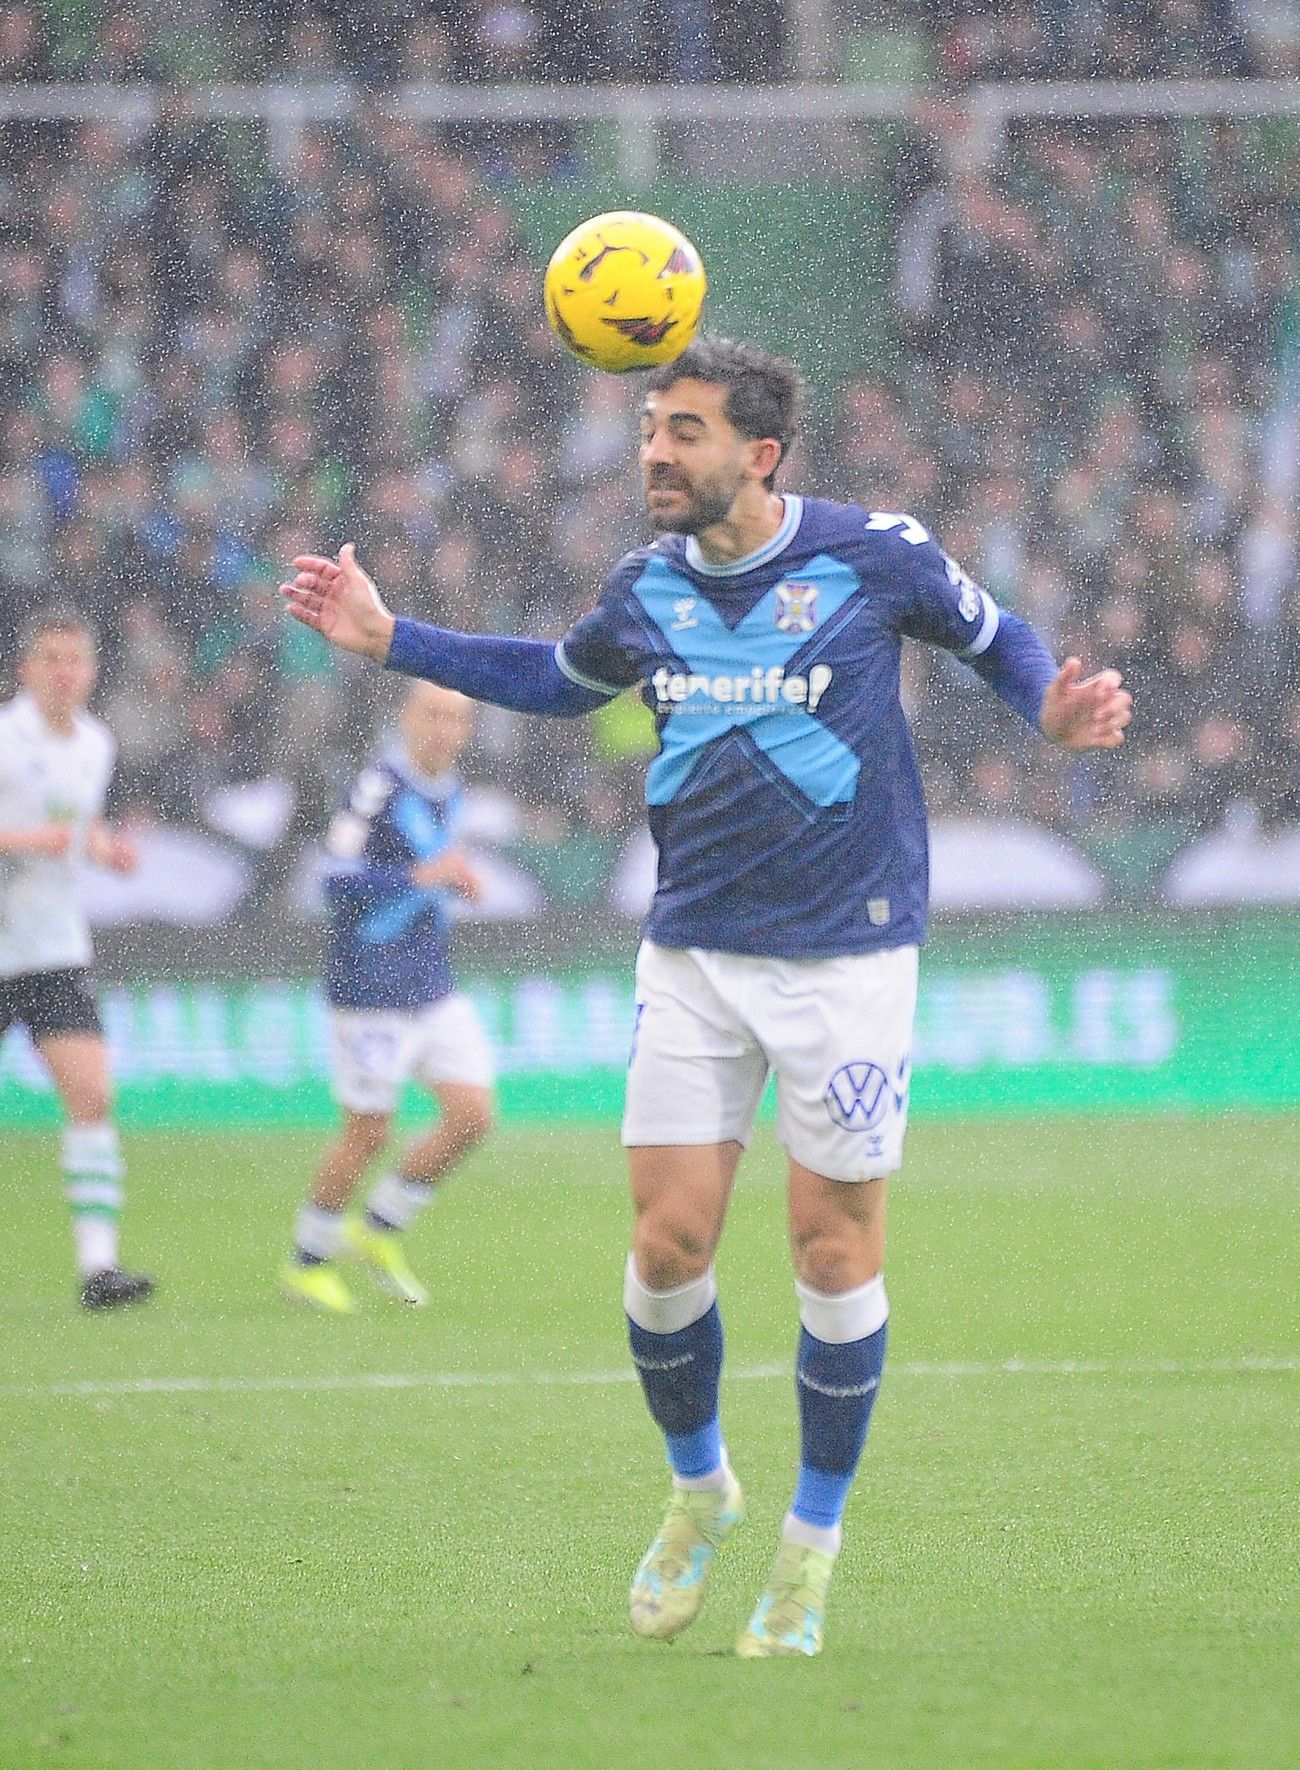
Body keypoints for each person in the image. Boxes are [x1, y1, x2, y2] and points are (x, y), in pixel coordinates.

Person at [280, 338, 1131, 1657]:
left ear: (762, 454)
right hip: (694, 954)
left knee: (831, 1253)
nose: (656, 456)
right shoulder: (646, 586)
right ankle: (700, 1489)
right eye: (648, 432)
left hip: (848, 960)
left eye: (682, 432)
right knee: (667, 1249)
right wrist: (394, 640)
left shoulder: (873, 552)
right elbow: (559, 682)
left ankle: (811, 1544)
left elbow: (996, 636)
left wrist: (1050, 707)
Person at [281, 681, 495, 1313]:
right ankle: (308, 1260)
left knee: (473, 1116)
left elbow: (429, 874)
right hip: (370, 990)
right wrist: (418, 876)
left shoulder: (451, 789)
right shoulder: (376, 787)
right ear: (406, 718)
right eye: (432, 713)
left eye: (456, 717)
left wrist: (453, 884)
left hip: (431, 984)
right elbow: (332, 874)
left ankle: (377, 1228)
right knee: (368, 1132)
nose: (443, 728)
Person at [0, 611, 154, 1309]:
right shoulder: (5, 738)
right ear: (26, 670)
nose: (64, 673)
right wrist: (30, 840)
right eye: (51, 659)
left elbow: (77, 828)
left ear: (91, 672)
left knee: (91, 1095)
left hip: (54, 945)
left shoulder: (96, 743)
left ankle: (100, 1270)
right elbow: (40, 834)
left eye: (76, 660)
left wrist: (104, 851)